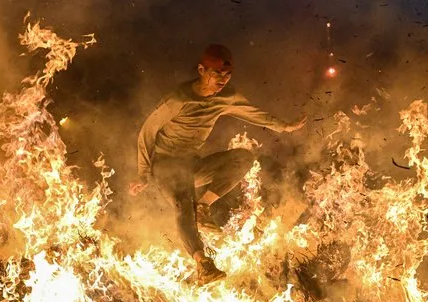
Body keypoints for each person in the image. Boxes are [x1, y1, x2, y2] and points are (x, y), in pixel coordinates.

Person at [130, 44, 306, 285]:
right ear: (202, 70)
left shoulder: (227, 97)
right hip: (166, 165)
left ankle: (204, 207)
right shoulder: (178, 99)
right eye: (216, 74)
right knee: (184, 205)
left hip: (192, 164)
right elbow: (147, 133)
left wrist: (284, 126)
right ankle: (203, 264)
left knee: (243, 158)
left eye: (227, 75)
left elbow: (254, 113)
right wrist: (143, 172)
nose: (222, 80)